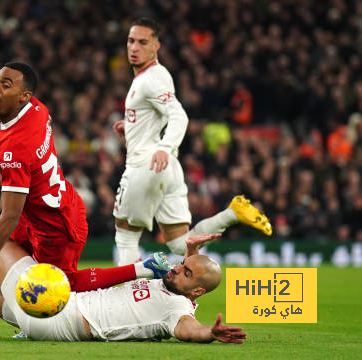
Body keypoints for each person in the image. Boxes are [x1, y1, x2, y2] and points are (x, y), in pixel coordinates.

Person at [0, 61, 170, 293]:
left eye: (6, 85)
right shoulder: (37, 109)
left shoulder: (13, 148)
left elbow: (9, 216)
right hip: (53, 205)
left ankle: (141, 268)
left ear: (23, 96)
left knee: (63, 286)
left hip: (54, 226)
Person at [0, 233, 246, 344]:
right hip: (57, 313)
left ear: (196, 293)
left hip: (59, 319)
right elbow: (185, 266)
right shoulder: (171, 282)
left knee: (1, 244)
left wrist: (209, 335)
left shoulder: (177, 311)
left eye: (184, 273)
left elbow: (187, 330)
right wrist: (191, 255)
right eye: (180, 265)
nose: (175, 270)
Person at [112, 17, 272, 265]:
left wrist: (165, 147)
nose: (134, 47)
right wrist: (131, 128)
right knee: (179, 244)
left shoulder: (150, 79)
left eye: (143, 42)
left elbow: (178, 115)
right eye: (131, 41)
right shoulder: (152, 76)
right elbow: (158, 116)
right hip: (168, 168)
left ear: (156, 46)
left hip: (146, 165)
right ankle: (232, 213)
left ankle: (129, 297)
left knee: (125, 236)